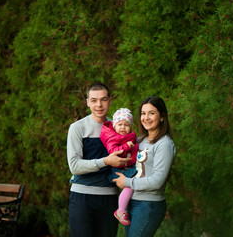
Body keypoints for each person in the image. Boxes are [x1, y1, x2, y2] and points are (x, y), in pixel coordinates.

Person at [67, 83, 132, 237]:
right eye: (94, 100)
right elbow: (74, 166)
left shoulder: (118, 128)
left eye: (103, 99)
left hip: (109, 198)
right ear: (87, 102)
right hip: (82, 199)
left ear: (110, 101)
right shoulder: (78, 128)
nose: (99, 105)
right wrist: (105, 161)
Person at [113, 96, 176, 237]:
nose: (146, 117)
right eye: (143, 113)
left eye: (151, 113)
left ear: (162, 117)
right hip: (132, 202)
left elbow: (157, 181)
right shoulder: (140, 140)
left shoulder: (164, 144)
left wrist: (127, 182)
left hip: (148, 205)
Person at [100, 108, 139, 226]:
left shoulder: (131, 137)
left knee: (133, 186)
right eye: (120, 124)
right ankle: (121, 211)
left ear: (131, 127)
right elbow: (113, 151)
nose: (123, 127)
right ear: (115, 126)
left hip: (128, 166)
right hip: (119, 169)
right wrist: (127, 146)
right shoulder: (113, 138)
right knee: (129, 187)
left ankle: (125, 207)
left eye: (126, 125)